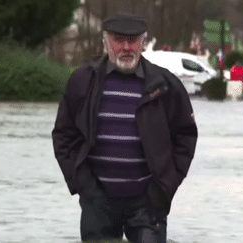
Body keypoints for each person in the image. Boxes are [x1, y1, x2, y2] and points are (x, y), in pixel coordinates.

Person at [52, 13, 198, 243]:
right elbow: (64, 136)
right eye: (119, 40)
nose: (126, 47)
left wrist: (165, 187)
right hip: (98, 199)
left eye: (133, 40)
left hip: (148, 201)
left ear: (143, 42)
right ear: (106, 42)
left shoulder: (166, 85)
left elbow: (186, 137)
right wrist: (83, 185)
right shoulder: (82, 81)